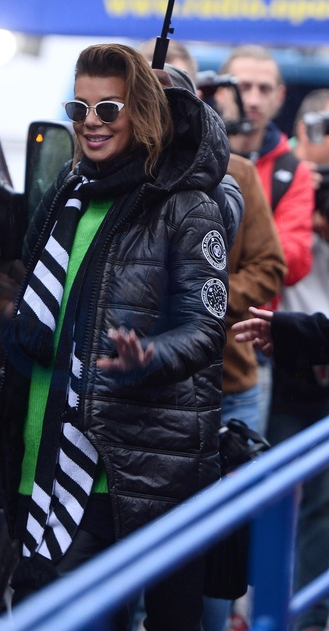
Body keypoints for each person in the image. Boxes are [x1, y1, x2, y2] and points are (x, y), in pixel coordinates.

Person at [0, 43, 230, 631]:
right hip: (41, 457)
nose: (90, 122)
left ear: (142, 112)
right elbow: (30, 324)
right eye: (79, 108)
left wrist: (147, 356)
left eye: (109, 108)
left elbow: (206, 328)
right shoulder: (64, 196)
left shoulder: (187, 206)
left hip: (123, 468)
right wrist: (5, 428)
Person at [139, 44, 287, 631]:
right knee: (139, 560)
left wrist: (203, 301)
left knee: (212, 562)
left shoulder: (238, 175)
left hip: (228, 386)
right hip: (138, 397)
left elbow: (270, 267)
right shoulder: (109, 175)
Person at [255, 89, 329, 631]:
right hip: (280, 359)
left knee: (322, 505)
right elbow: (280, 259)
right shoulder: (284, 180)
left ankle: (308, 617)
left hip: (309, 346)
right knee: (266, 493)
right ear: (301, 130)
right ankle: (260, 606)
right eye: (321, 127)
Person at [214, 44, 314, 435]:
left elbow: (291, 261)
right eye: (243, 86)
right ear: (220, 90)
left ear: (280, 96)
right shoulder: (189, 154)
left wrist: (206, 290)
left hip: (251, 347)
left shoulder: (292, 169)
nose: (253, 99)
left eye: (264, 88)